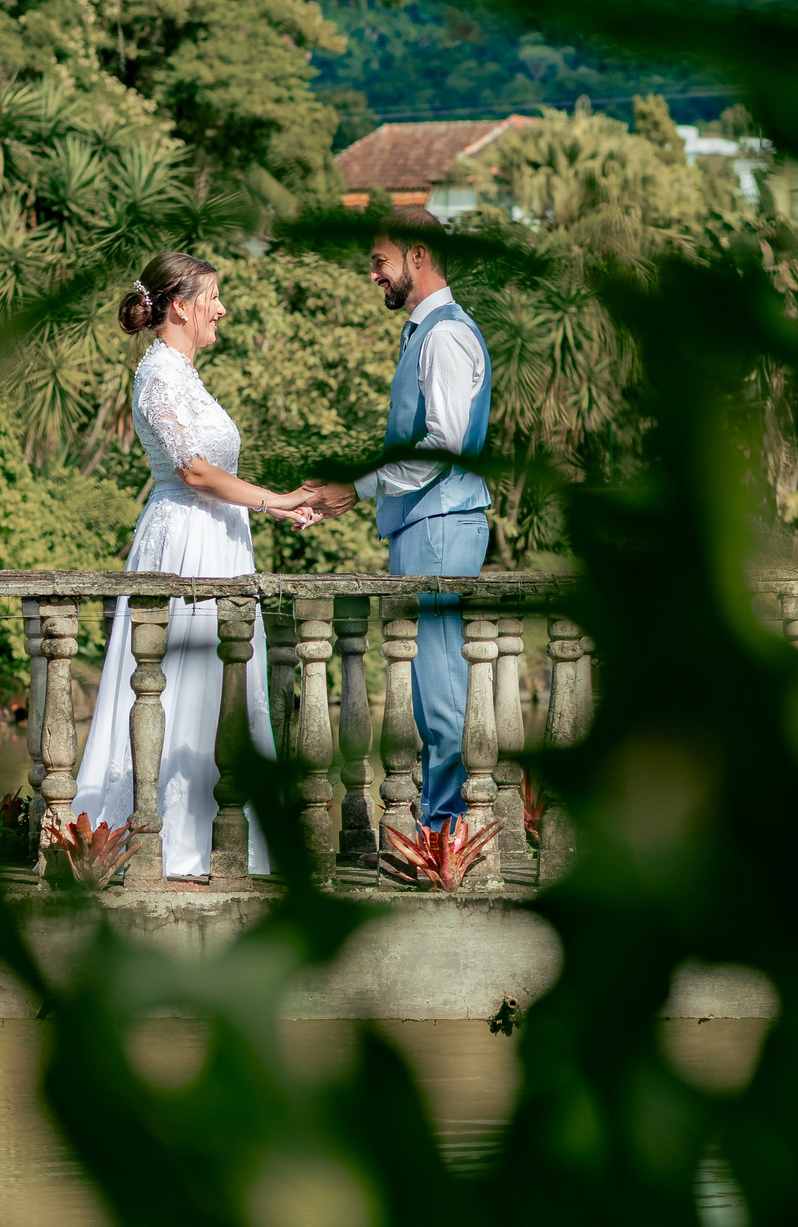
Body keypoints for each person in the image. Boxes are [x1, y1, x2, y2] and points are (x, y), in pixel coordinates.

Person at [73, 252, 328, 878]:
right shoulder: (160, 374)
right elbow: (193, 470)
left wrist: (272, 507)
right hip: (184, 543)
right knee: (180, 679)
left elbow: (213, 471)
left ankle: (223, 829)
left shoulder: (185, 376)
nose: (222, 309)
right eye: (212, 296)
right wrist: (275, 500)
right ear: (180, 306)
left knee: (224, 684)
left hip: (218, 538)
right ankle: (168, 835)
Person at [306, 211, 493, 830]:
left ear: (418, 256)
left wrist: (355, 489)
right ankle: (448, 824)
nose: (373, 275)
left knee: (438, 685)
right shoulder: (429, 331)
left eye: (379, 262)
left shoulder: (442, 335)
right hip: (427, 526)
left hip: (440, 526)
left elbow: (441, 446)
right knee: (426, 681)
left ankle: (449, 831)